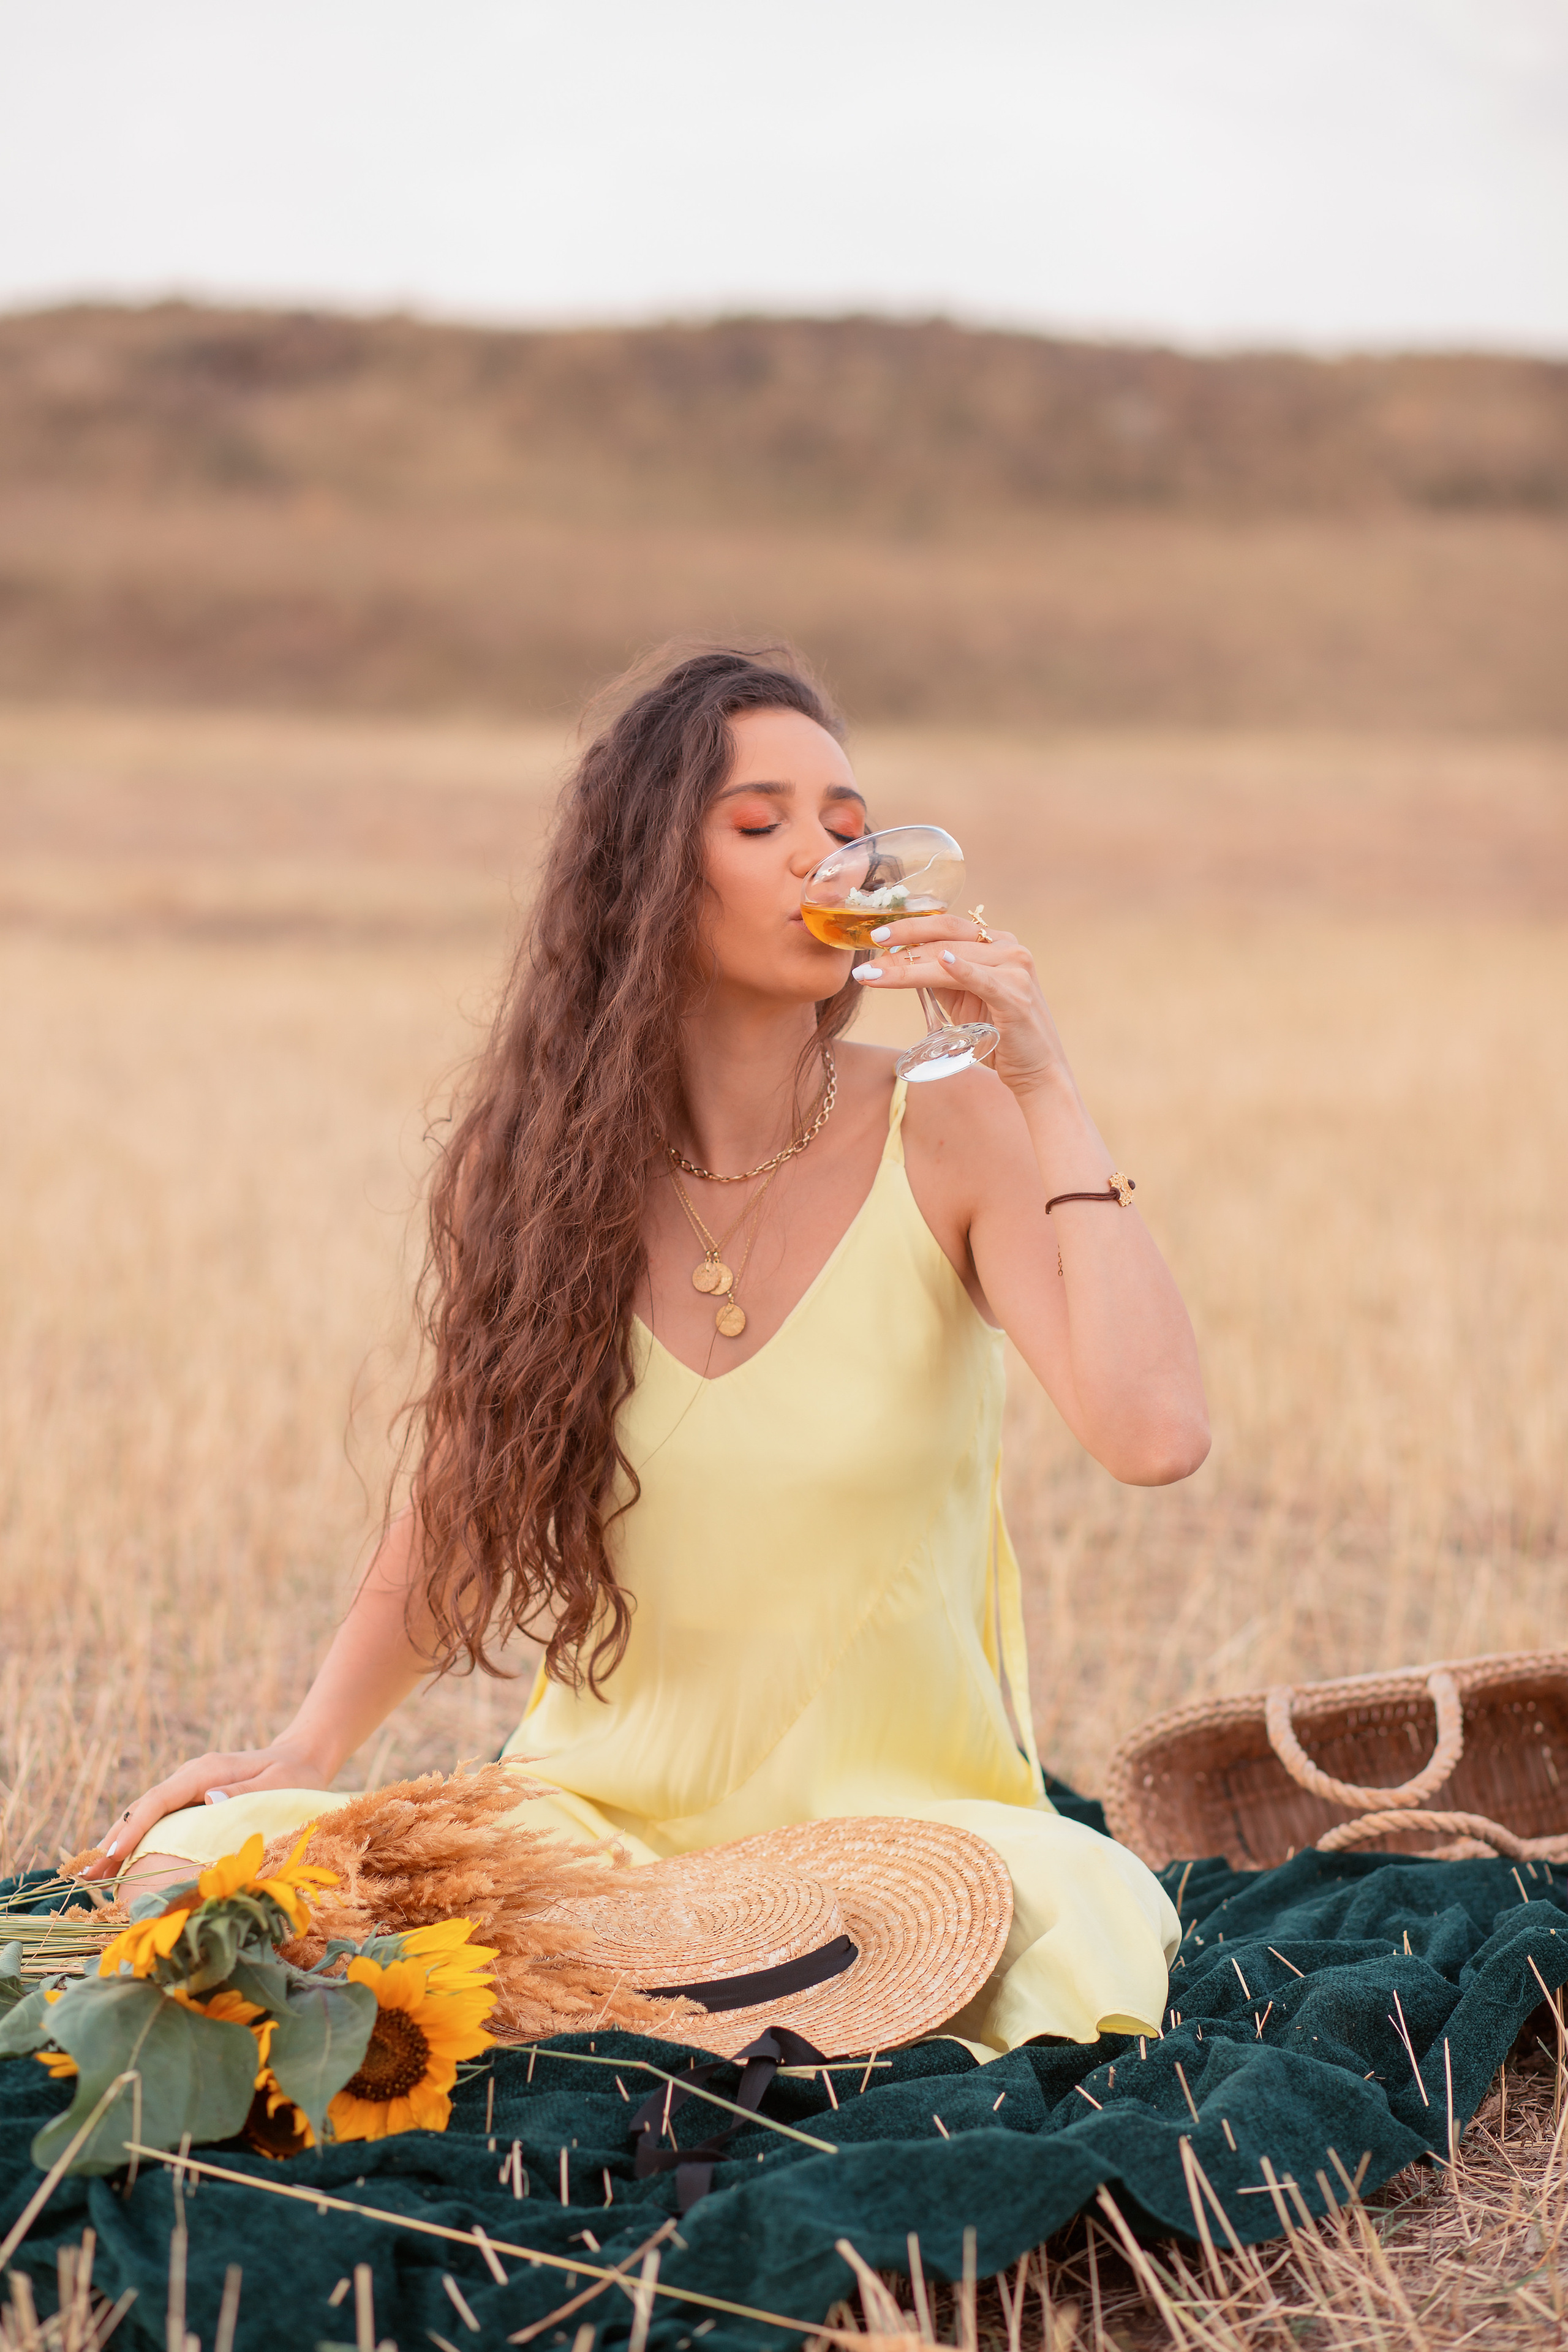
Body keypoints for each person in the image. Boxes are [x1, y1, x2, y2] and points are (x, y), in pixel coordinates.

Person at [86, 646, 1210, 2054]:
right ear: (645, 882)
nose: (828, 856)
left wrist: (1043, 1083)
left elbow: (1153, 1436)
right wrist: (305, 1751)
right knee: (204, 1880)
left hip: (906, 1850)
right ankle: (680, 1998)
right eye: (761, 825)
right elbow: (463, 1497)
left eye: (849, 824)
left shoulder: (955, 1124)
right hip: (596, 1837)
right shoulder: (545, 1167)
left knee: (1069, 1933)